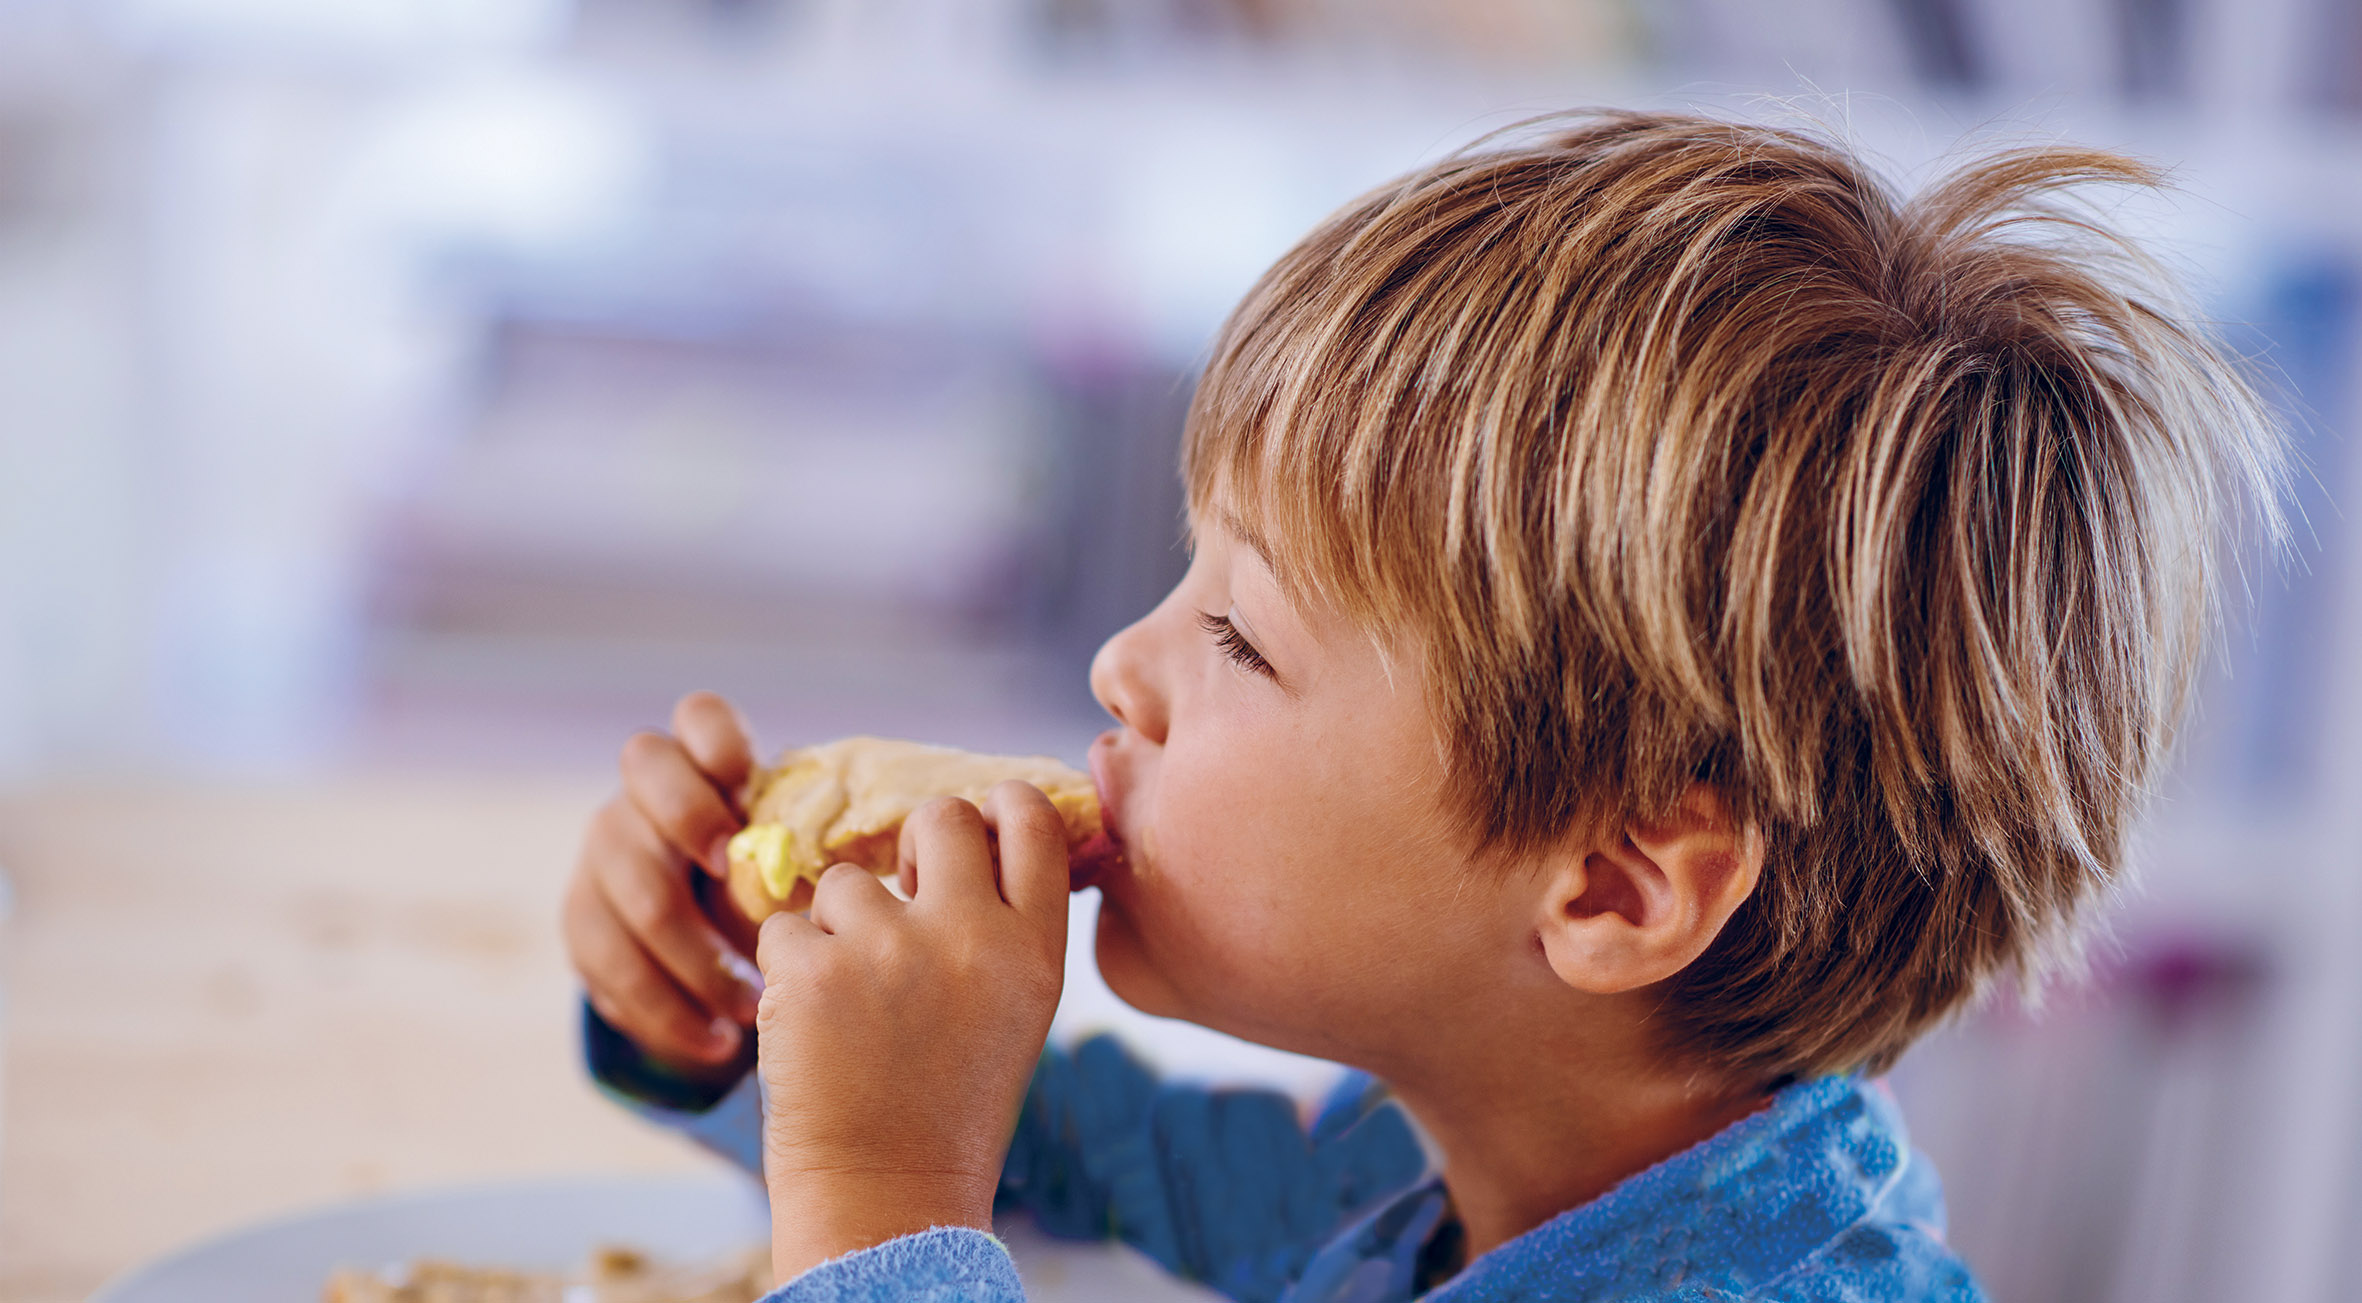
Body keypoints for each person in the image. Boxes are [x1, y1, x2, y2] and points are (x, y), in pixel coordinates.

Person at [560, 111, 2285, 1302]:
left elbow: (922, 1167)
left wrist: (875, 1204)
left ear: (1612, 886)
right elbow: (1080, 1152)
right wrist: (728, 1012)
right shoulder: (1445, 1158)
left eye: (1240, 642)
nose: (1120, 668)